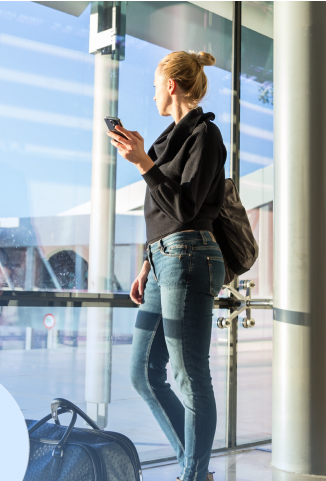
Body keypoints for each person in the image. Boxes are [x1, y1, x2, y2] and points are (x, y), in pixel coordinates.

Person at [107, 50, 226, 481]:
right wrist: (145, 262)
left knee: (189, 375)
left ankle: (193, 474)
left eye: (156, 85)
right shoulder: (167, 140)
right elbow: (161, 215)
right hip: (163, 261)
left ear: (171, 85)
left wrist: (143, 164)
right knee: (142, 372)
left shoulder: (205, 135)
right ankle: (192, 465)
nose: (154, 93)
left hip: (190, 257)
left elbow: (185, 206)